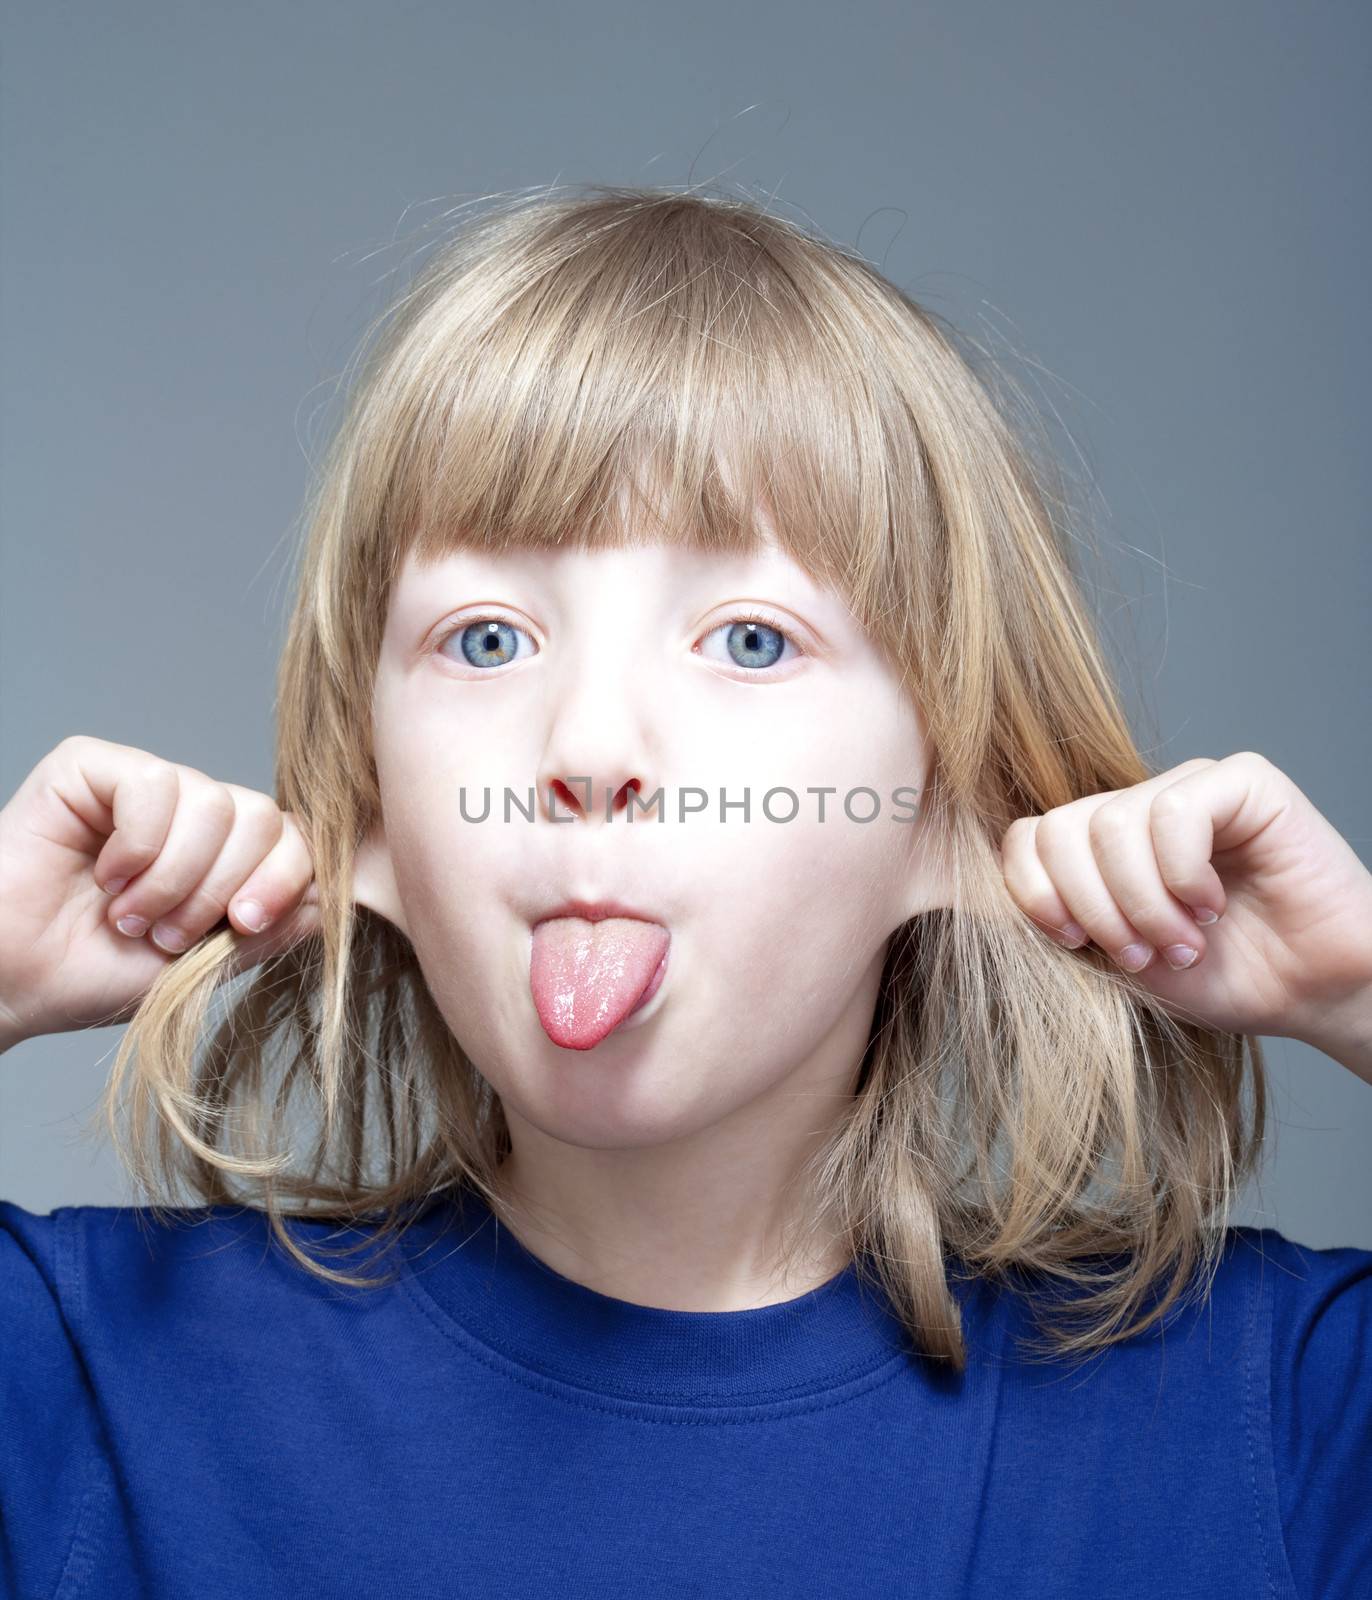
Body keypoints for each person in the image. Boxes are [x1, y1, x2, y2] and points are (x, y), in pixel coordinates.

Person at [1, 185, 1368, 1598]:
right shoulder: (85, 1375)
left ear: (949, 796)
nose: (589, 749)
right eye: (485, 639)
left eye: (752, 641)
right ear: (374, 805)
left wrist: (1356, 986)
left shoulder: (1279, 1416)